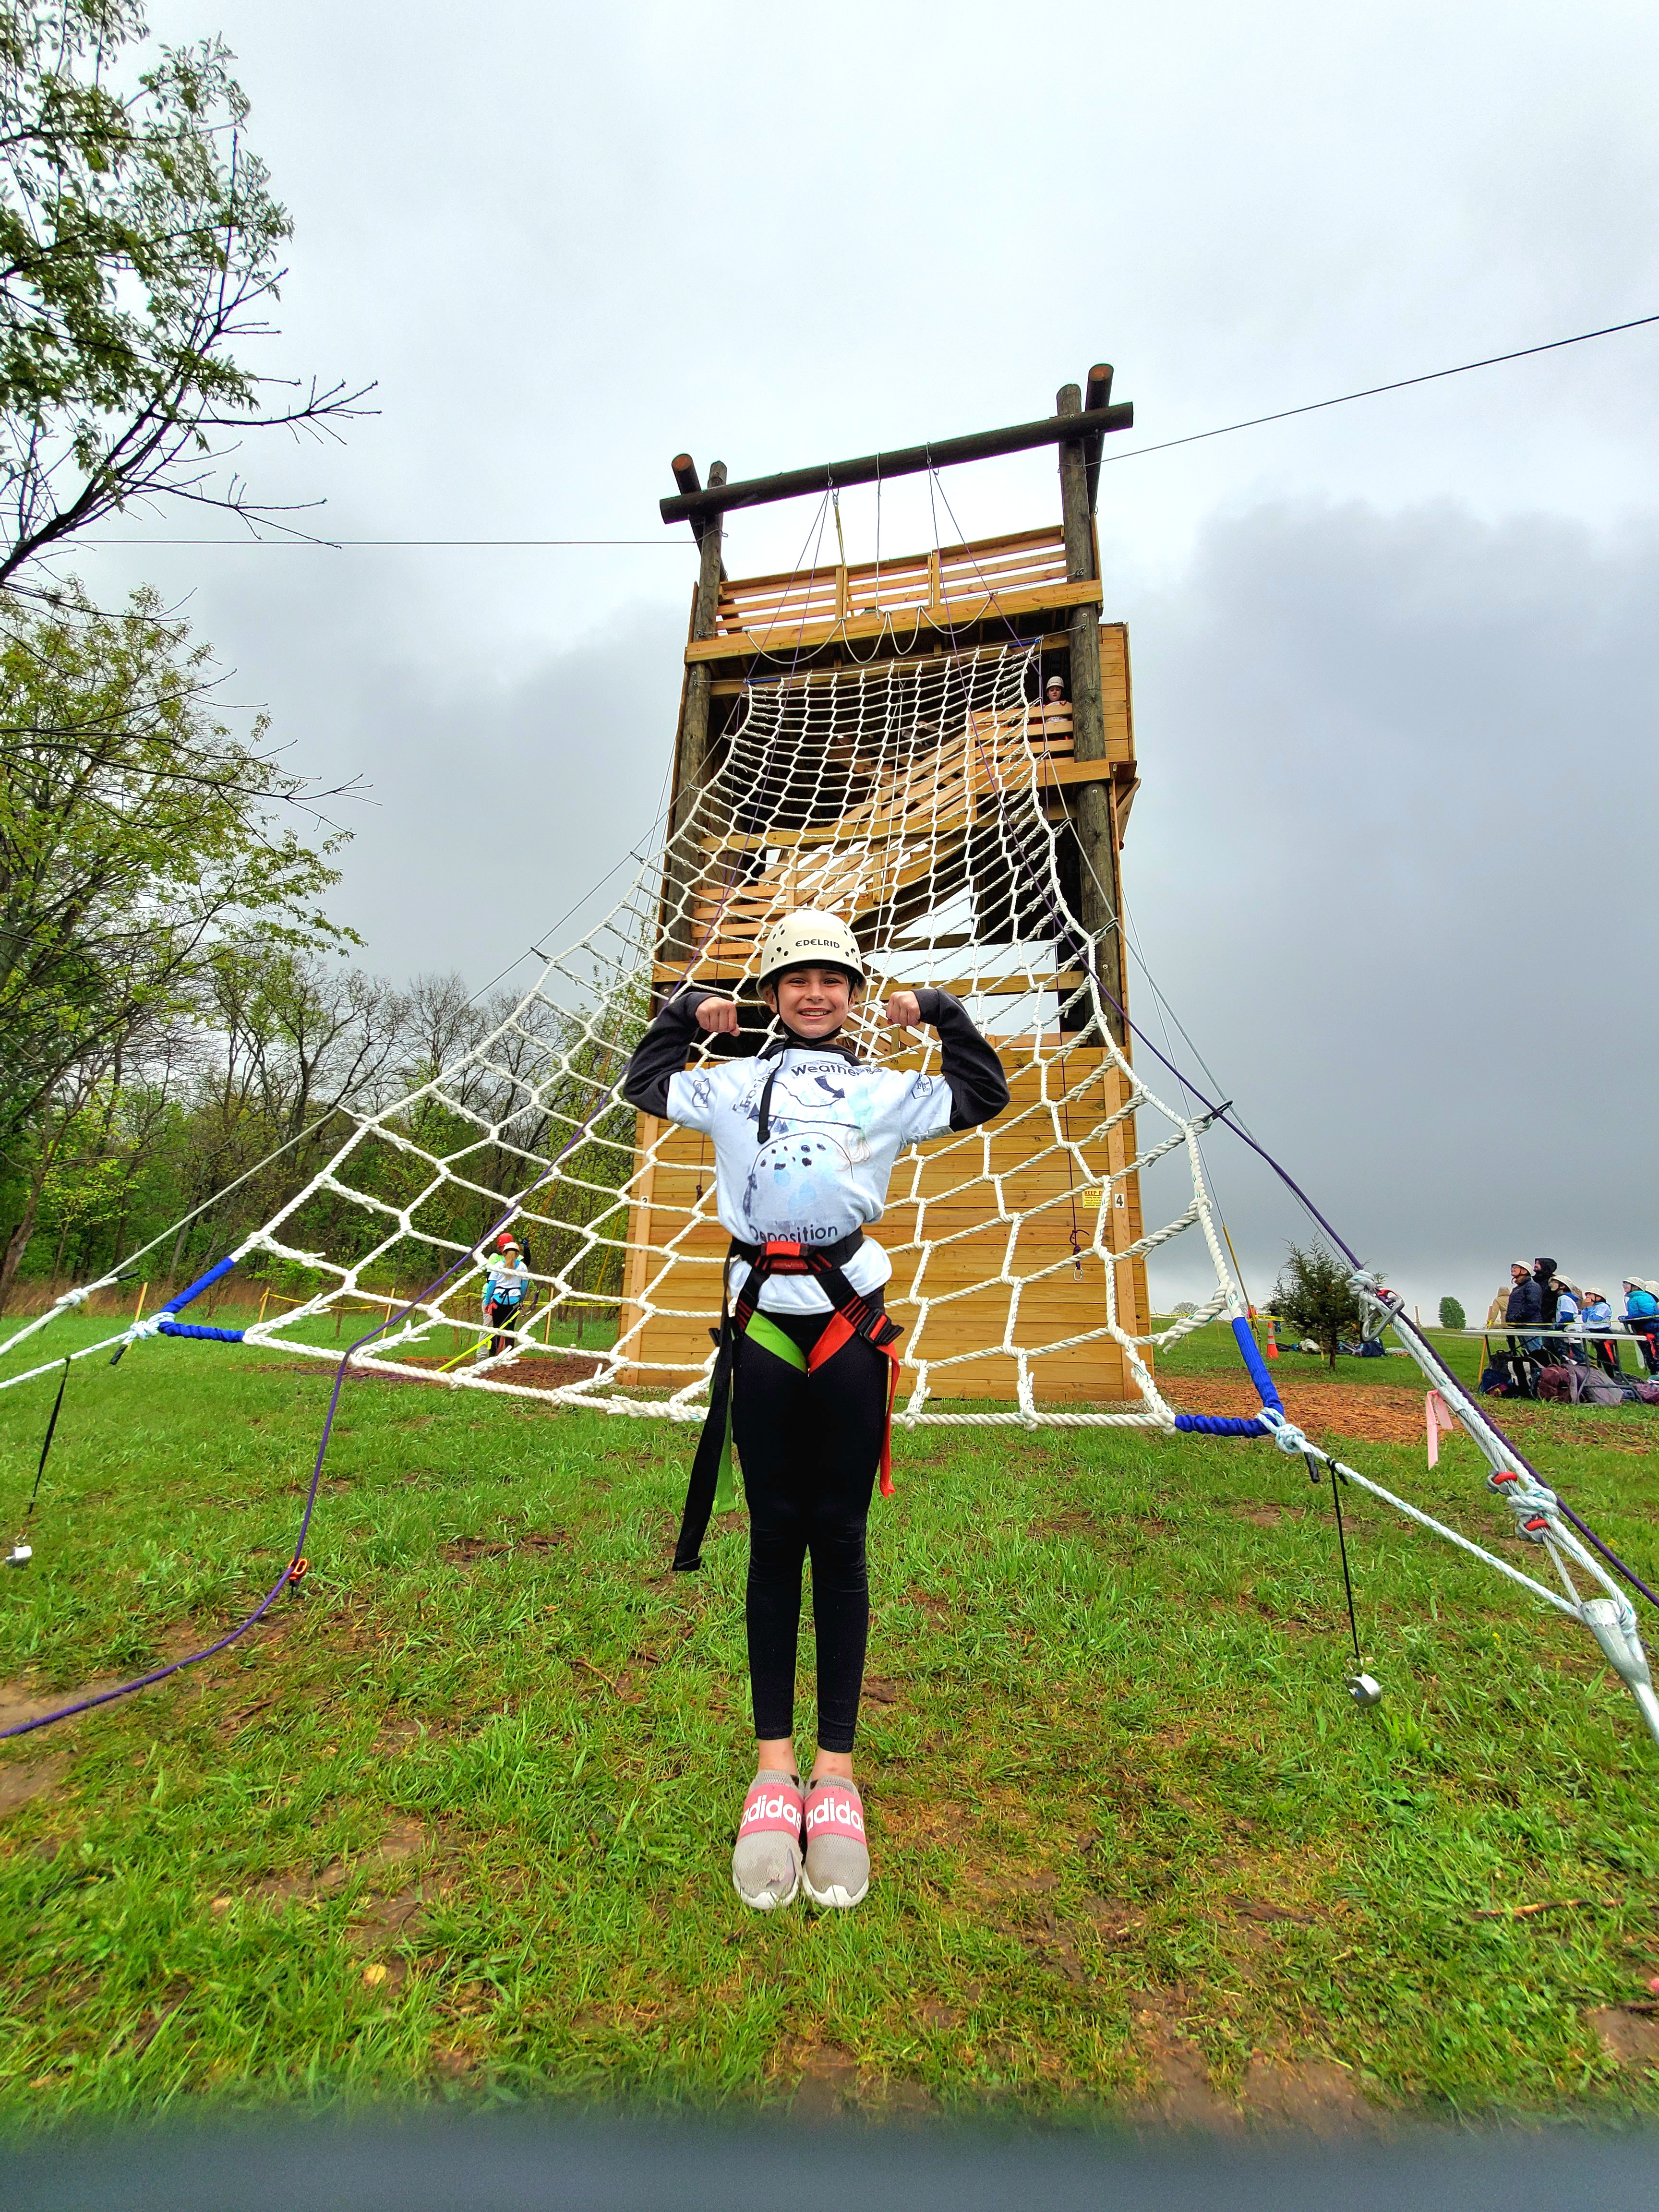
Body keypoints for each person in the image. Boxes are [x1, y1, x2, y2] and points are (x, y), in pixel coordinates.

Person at [622, 908, 1009, 1913]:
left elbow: (984, 1093)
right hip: (762, 1323)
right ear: (773, 991)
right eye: (796, 978)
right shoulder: (732, 1080)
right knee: (772, 1536)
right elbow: (645, 1081)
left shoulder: (882, 1090)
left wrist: (943, 1011)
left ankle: (834, 1776)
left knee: (838, 1537)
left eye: (833, 978)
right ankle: (772, 1768)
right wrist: (686, 1008)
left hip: (847, 1322)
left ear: (852, 991)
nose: (815, 993)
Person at [480, 1232, 530, 1358]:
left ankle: (492, 1357)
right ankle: (507, 1357)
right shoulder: (522, 1267)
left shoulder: (498, 1266)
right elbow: (524, 1288)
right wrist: (521, 1301)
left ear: (504, 1252)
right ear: (517, 1253)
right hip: (513, 1302)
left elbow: (491, 1285)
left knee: (495, 1330)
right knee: (509, 1331)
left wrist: (487, 1302)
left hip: (498, 1301)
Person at [1581, 1288, 1621, 1379]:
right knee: (1601, 1357)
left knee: (1609, 1357)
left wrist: (1590, 1308)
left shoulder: (1604, 1306)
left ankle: (1614, 1376)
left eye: (1590, 1295)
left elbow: (1596, 1319)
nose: (1587, 1297)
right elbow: (1585, 1319)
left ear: (1598, 1297)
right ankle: (1607, 1376)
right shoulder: (1591, 1307)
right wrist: (1586, 1308)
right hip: (1593, 1333)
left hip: (1603, 1333)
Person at [1624, 1278, 1659, 1376]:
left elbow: (1647, 1314)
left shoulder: (1643, 1298)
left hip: (1651, 1332)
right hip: (1645, 1332)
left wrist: (1629, 1318)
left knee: (1654, 1358)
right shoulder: (1635, 1299)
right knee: (1651, 1358)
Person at [1553, 1279, 1586, 1366]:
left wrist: (1557, 1327)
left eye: (1555, 1283)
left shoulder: (1564, 1298)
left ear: (1563, 1286)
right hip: (1570, 1329)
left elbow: (1567, 1316)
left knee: (1572, 1357)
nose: (1552, 1284)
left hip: (1569, 1330)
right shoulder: (1566, 1298)